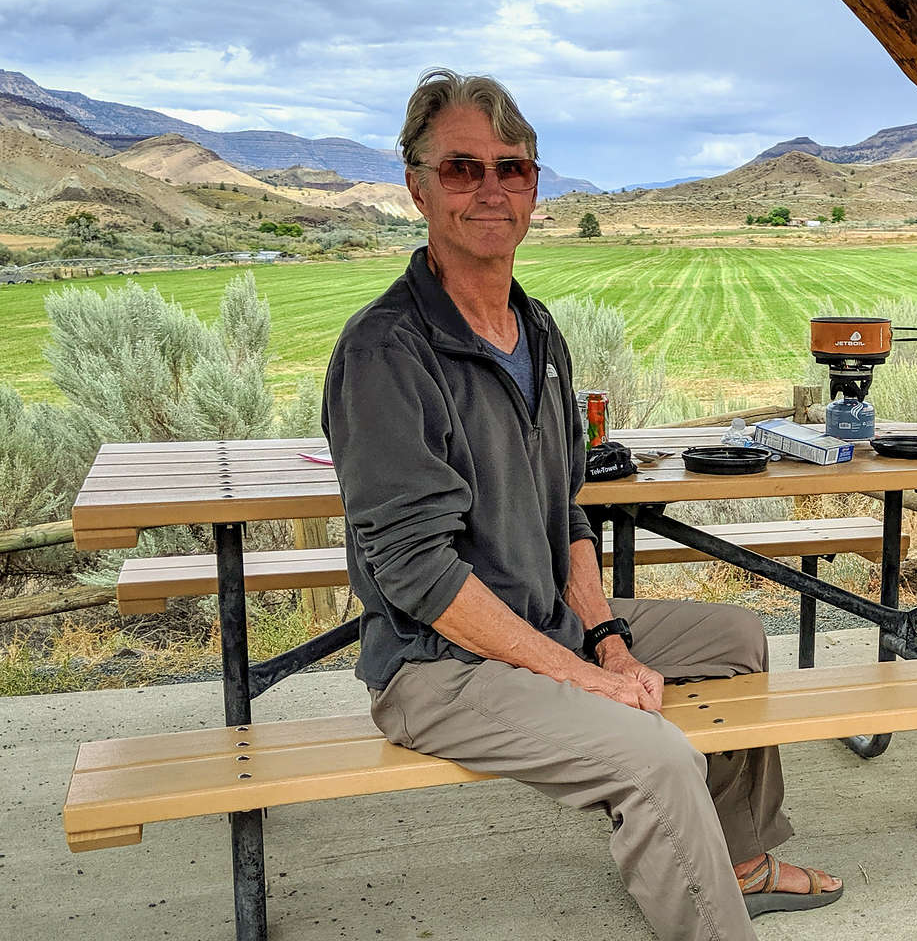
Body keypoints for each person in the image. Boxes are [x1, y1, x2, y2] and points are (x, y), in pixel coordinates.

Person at [321, 69, 841, 941]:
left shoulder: (540, 331)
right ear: (416, 187)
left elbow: (567, 506)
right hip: (435, 668)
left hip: (544, 625)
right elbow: (417, 572)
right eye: (462, 169)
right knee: (656, 758)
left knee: (737, 641)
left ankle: (740, 862)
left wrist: (601, 632)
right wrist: (587, 676)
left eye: (512, 169)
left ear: (534, 188)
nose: (491, 189)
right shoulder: (386, 353)